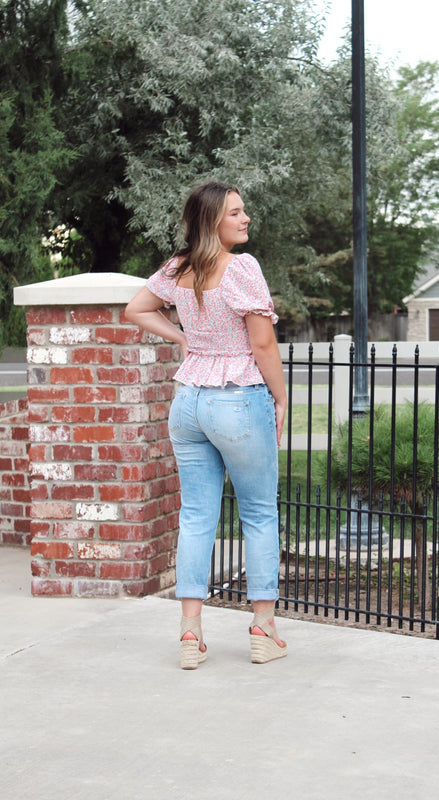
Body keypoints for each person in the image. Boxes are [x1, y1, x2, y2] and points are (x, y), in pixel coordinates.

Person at [125, 181, 287, 669]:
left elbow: (135, 309)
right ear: (213, 220)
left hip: (188, 402)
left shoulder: (177, 268)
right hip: (238, 399)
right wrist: (281, 397)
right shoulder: (243, 268)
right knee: (258, 512)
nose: (246, 219)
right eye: (236, 213)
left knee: (196, 516)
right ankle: (262, 628)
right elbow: (262, 346)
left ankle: (190, 634)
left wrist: (182, 338)